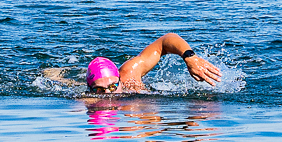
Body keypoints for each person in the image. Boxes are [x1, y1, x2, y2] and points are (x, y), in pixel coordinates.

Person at [42, 32, 223, 95]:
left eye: (113, 87)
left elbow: (166, 40)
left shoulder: (129, 75)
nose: (108, 95)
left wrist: (190, 57)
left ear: (119, 80)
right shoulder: (89, 101)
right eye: (99, 90)